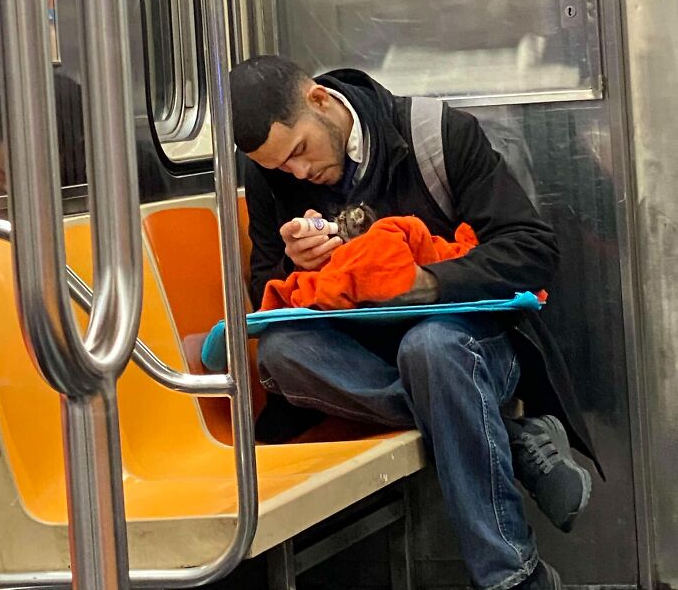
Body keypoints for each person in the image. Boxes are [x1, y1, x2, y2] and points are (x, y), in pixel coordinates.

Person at [230, 55, 598, 590]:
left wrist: (428, 283)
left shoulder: (438, 135)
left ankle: (512, 577)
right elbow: (268, 296)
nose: (299, 174)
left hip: (468, 340)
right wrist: (295, 264)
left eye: (301, 153)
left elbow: (532, 248)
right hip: (360, 357)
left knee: (431, 349)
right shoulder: (271, 177)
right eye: (281, 168)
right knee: (284, 353)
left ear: (320, 100)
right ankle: (515, 441)